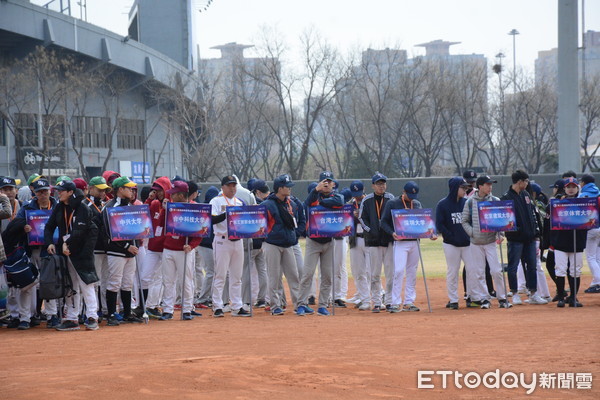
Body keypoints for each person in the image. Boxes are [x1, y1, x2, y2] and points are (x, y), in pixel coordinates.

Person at [44, 180, 100, 331]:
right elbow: (49, 227)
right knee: (70, 285)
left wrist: (67, 245)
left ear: (70, 192)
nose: (58, 193)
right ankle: (72, 318)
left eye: (61, 190)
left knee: (86, 283)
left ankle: (92, 317)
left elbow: (79, 232)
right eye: (57, 190)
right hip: (65, 251)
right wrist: (49, 243)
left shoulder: (82, 207)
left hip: (82, 251)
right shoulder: (59, 207)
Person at [3, 178, 58, 329]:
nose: (43, 194)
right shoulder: (27, 207)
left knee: (49, 282)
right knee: (27, 285)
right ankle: (25, 317)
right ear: (34, 192)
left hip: (50, 250)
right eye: (39, 192)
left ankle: (52, 315)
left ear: (49, 191)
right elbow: (12, 227)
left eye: (45, 191)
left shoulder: (56, 206)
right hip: (30, 250)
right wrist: (23, 226)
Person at [380, 181, 437, 312]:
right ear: (403, 192)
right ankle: (395, 302)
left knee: (412, 271)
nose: (411, 198)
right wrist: (392, 233)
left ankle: (409, 302)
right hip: (400, 242)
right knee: (399, 271)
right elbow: (383, 222)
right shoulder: (393, 203)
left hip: (415, 242)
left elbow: (424, 221)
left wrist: (431, 233)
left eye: (414, 195)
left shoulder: (416, 203)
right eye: (409, 195)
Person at [95, 176, 144, 326]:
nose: (132, 191)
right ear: (120, 190)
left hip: (131, 251)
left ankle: (127, 313)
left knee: (127, 283)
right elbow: (109, 233)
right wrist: (126, 246)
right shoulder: (110, 206)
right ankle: (111, 314)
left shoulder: (130, 206)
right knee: (114, 282)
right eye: (128, 188)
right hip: (116, 251)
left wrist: (135, 243)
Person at [297, 171, 344, 316]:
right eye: (324, 181)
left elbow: (340, 202)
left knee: (328, 275)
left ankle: (323, 305)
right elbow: (306, 205)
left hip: (329, 241)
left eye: (329, 181)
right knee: (307, 274)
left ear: (333, 184)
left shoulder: (336, 196)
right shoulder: (314, 195)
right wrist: (316, 191)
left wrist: (322, 202)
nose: (327, 184)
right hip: (313, 241)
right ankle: (301, 304)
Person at [461, 175, 511, 309]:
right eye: (488, 184)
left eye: (491, 185)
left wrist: (501, 234)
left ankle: (502, 298)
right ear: (480, 186)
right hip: (475, 243)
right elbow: (464, 220)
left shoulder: (495, 200)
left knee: (496, 271)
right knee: (479, 272)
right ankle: (485, 299)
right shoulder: (470, 201)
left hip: (490, 242)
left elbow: (501, 221)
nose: (490, 187)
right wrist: (472, 233)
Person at [156, 181, 202, 320]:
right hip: (168, 248)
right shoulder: (170, 208)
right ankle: (167, 310)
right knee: (168, 281)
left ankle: (187, 309)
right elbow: (160, 225)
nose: (171, 196)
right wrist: (164, 209)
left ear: (181, 195)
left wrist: (192, 245)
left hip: (185, 250)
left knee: (186, 281)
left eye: (173, 194)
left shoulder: (194, 208)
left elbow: (200, 231)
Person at [500, 170, 547, 305]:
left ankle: (533, 293)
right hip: (515, 239)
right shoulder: (506, 198)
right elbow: (505, 221)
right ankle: (514, 293)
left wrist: (535, 232)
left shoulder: (526, 195)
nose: (527, 184)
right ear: (519, 181)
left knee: (532, 266)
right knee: (513, 267)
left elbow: (533, 214)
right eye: (525, 181)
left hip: (530, 238)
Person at [209, 175, 250, 317]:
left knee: (236, 276)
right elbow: (211, 219)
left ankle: (237, 306)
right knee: (220, 275)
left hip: (237, 240)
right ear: (223, 187)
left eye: (234, 185)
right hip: (222, 240)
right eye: (229, 185)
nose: (232, 188)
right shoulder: (216, 200)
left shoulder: (240, 202)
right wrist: (226, 213)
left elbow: (246, 221)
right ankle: (217, 306)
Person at [262, 174, 303, 316]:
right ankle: (275, 306)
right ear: (280, 188)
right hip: (272, 244)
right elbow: (260, 224)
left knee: (294, 275)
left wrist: (294, 235)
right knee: (274, 277)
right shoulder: (267, 204)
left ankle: (299, 305)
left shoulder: (290, 203)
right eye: (287, 187)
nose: (290, 189)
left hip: (288, 244)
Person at [358, 172, 395, 312]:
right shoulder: (367, 200)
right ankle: (377, 302)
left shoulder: (391, 198)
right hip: (373, 241)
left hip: (388, 240)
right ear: (373, 185)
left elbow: (395, 216)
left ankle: (390, 301)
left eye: (383, 183)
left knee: (390, 272)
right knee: (374, 273)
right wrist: (370, 230)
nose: (381, 186)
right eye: (379, 184)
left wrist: (390, 231)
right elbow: (362, 218)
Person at [436, 177, 471, 310]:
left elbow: (471, 221)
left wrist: (469, 235)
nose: (465, 189)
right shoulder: (443, 204)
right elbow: (440, 224)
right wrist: (451, 236)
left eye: (466, 187)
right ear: (455, 188)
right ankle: (453, 300)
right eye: (463, 187)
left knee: (472, 270)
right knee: (453, 271)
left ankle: (471, 297)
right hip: (451, 244)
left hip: (467, 243)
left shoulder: (466, 203)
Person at [552, 177, 587, 307]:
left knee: (575, 270)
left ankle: (573, 297)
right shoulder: (558, 202)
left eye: (573, 186)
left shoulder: (585, 203)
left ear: (578, 188)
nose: (571, 189)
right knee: (560, 270)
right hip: (561, 241)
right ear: (565, 188)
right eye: (568, 187)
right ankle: (561, 297)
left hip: (577, 241)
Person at [143, 176, 172, 319]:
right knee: (145, 276)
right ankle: (145, 304)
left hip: (166, 247)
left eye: (160, 190)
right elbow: (143, 214)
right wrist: (149, 199)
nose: (158, 193)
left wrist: (168, 209)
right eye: (156, 190)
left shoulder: (171, 204)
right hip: (153, 247)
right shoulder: (154, 204)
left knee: (160, 278)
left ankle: (153, 305)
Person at [83, 176, 110, 320]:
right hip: (93, 248)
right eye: (99, 190)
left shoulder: (105, 204)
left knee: (105, 281)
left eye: (104, 190)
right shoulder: (85, 205)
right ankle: (91, 311)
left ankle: (104, 310)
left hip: (106, 247)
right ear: (90, 189)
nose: (102, 192)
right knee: (94, 282)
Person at [348, 180, 371, 310]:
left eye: (359, 192)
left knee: (371, 271)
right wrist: (351, 216)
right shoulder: (349, 205)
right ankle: (364, 299)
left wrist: (361, 215)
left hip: (368, 240)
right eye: (354, 193)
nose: (357, 196)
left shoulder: (369, 202)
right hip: (355, 240)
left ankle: (377, 297)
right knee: (359, 271)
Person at [195, 186, 219, 308]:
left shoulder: (210, 208)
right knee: (211, 271)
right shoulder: (206, 209)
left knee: (210, 271)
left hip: (208, 244)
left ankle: (207, 296)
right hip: (205, 244)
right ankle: (202, 298)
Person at [579, 174, 600, 294]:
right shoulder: (598, 193)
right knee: (597, 257)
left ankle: (598, 282)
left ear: (584, 183)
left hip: (590, 229)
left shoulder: (583, 195)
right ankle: (595, 282)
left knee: (591, 257)